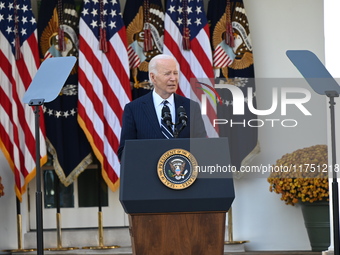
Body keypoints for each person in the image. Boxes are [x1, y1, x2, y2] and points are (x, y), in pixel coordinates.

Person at [117, 54, 207, 159]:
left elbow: (202, 146)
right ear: (153, 77)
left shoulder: (191, 107)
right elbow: (125, 152)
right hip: (148, 173)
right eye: (167, 74)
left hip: (183, 172)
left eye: (175, 73)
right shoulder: (133, 109)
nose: (173, 78)